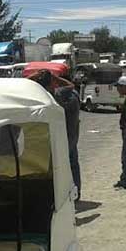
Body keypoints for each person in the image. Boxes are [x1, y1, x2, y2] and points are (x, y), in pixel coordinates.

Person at [27, 69, 82, 200]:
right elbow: (71, 85)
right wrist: (56, 78)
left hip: (57, 136)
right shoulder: (63, 94)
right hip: (72, 134)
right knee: (73, 163)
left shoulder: (43, 97)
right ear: (53, 83)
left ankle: (60, 193)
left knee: (57, 166)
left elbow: (23, 83)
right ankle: (76, 192)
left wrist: (33, 76)